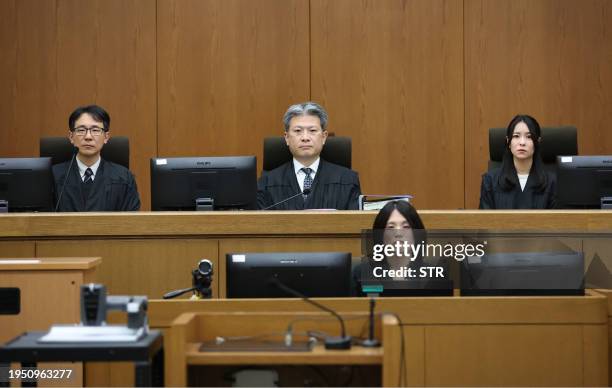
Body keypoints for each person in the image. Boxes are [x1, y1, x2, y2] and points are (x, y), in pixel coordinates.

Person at [257, 102, 361, 210]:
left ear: (324, 137)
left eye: (312, 131)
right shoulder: (267, 182)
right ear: (287, 138)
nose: (305, 137)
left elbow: (356, 224)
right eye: (298, 131)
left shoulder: (347, 180)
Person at [53, 105, 141, 211]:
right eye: (81, 130)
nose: (88, 137)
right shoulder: (52, 177)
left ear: (106, 137)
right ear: (71, 137)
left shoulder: (124, 178)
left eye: (95, 130)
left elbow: (131, 222)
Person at [353, 200, 442, 296]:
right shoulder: (362, 273)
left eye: (406, 227)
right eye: (391, 227)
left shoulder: (434, 275)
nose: (398, 233)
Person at [479, 114, 556, 209]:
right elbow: (484, 221)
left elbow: (557, 221)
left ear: (537, 142)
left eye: (529, 137)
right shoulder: (490, 181)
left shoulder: (552, 183)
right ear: (508, 142)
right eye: (516, 136)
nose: (522, 142)